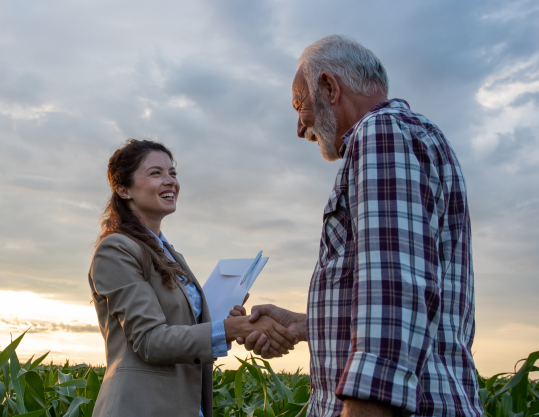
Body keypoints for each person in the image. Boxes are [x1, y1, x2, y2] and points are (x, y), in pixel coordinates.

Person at [232, 35, 483, 416]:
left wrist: (365, 406)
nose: (300, 128)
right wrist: (302, 325)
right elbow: (412, 293)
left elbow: (394, 289)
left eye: (300, 106)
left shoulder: (381, 133)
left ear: (329, 87)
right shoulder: (413, 136)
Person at [88, 139, 299, 417]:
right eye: (155, 173)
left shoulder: (173, 255)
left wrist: (230, 320)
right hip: (140, 406)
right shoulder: (116, 249)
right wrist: (231, 329)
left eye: (172, 173)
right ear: (123, 188)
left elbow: (186, 329)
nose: (170, 181)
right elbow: (151, 341)